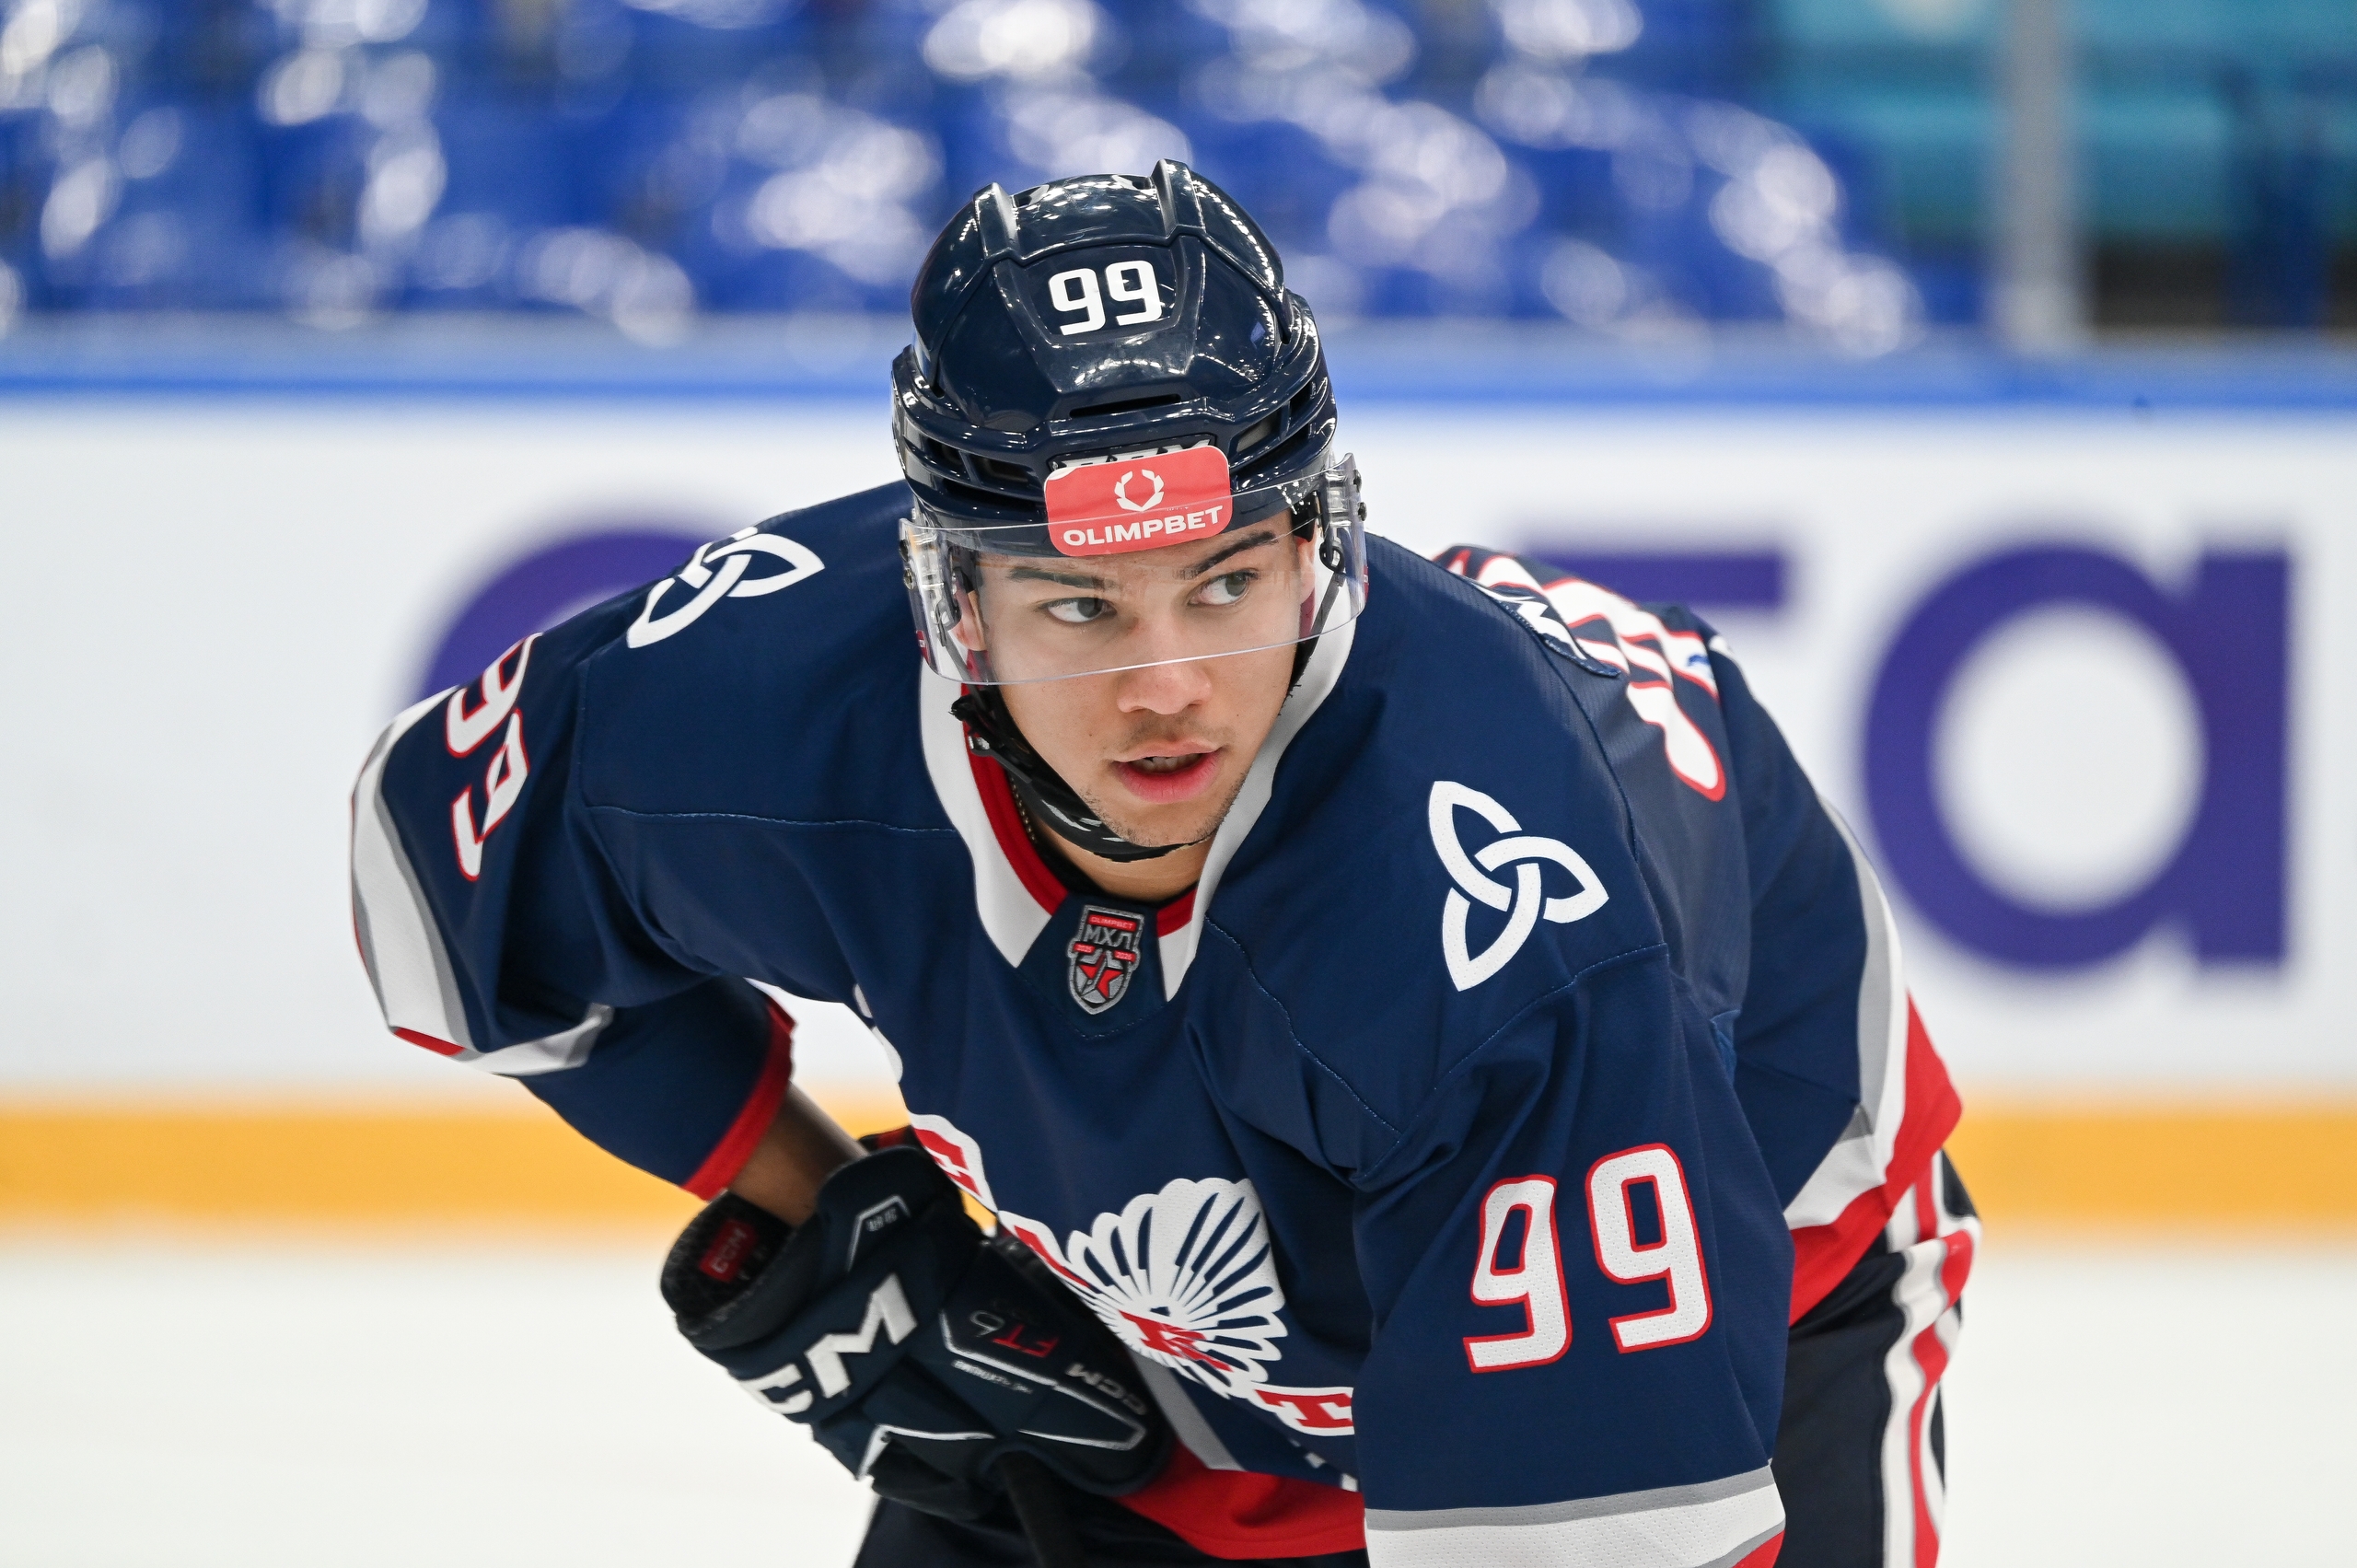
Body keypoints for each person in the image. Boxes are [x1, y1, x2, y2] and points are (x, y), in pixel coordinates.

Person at [349, 163, 1975, 1568]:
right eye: (1080, 605)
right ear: (951, 601)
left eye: (1226, 583)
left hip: (1749, 1318)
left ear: (1319, 541)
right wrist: (815, 1196)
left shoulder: (1505, 935)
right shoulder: (759, 699)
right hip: (1162, 1407)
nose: (1167, 690)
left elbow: (1597, 1520)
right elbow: (433, 871)